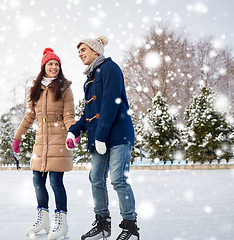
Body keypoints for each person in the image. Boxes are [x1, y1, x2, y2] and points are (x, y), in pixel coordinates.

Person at [66, 36, 140, 240]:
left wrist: (101, 135)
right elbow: (89, 113)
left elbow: (111, 103)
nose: (80, 53)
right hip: (100, 139)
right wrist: (74, 129)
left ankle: (130, 227)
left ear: (96, 50)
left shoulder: (110, 68)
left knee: (118, 180)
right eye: (78, 51)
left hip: (117, 135)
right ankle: (102, 225)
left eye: (83, 49)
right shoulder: (89, 79)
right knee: (96, 179)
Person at [12, 48, 76, 240]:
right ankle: (43, 220)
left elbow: (69, 115)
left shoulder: (65, 88)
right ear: (44, 67)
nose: (54, 67)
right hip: (41, 141)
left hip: (59, 139)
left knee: (56, 182)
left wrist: (72, 133)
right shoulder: (36, 89)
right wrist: (18, 136)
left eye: (57, 64)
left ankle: (62, 223)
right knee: (37, 181)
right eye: (51, 64)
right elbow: (29, 116)